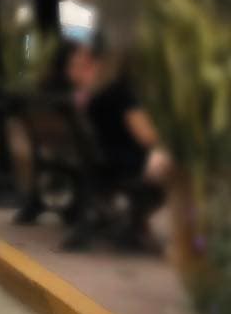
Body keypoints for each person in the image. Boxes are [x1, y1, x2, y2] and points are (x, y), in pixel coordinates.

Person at [65, 36, 172, 245]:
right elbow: (147, 137)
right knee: (189, 167)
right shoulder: (121, 93)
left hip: (105, 162)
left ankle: (135, 223)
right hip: (127, 166)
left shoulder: (97, 95)